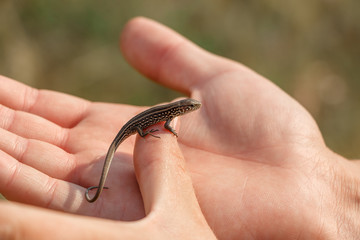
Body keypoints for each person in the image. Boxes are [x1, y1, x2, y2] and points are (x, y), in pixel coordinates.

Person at [0, 17, 359, 240]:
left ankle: (96, 190)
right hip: (134, 129)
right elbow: (151, 125)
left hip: (140, 126)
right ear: (184, 109)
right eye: (191, 108)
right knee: (144, 136)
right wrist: (154, 132)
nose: (193, 109)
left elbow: (166, 119)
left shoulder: (173, 113)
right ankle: (97, 188)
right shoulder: (166, 118)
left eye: (190, 108)